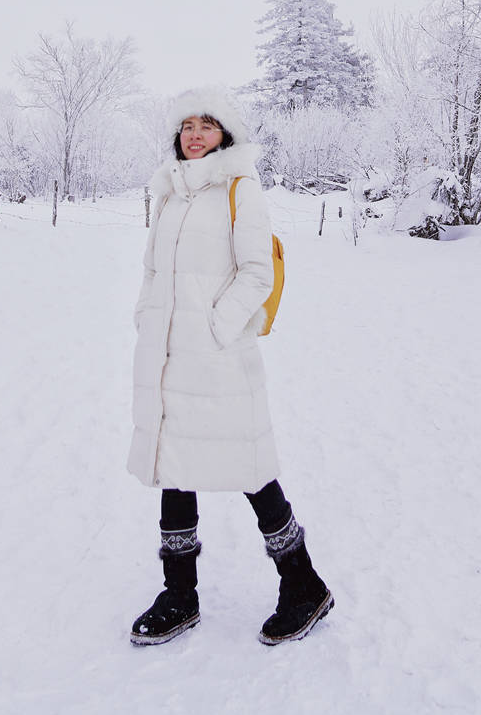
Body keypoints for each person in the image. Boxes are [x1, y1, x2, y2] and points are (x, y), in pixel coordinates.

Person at [128, 85, 333, 646]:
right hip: (169, 357)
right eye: (187, 125)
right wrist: (148, 316)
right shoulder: (169, 194)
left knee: (249, 468)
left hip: (217, 358)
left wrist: (216, 327)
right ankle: (179, 595)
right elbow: (152, 270)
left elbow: (256, 275)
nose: (195, 134)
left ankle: (303, 585)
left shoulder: (242, 189)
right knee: (174, 466)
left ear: (226, 134)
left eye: (207, 125)